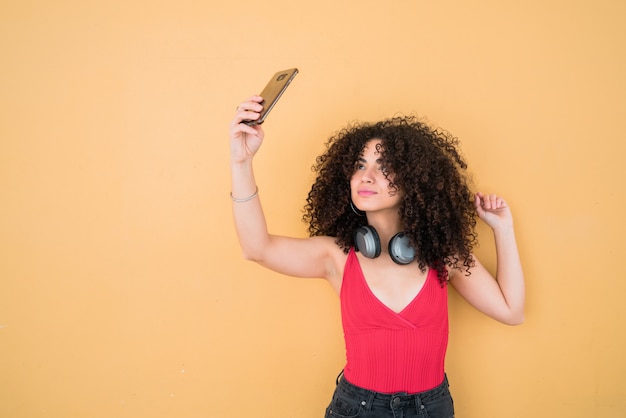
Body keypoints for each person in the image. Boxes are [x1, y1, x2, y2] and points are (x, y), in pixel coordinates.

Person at [229, 95, 525, 418]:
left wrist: (502, 229)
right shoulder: (337, 257)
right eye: (360, 165)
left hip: (431, 409)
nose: (366, 176)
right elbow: (255, 248)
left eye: (384, 167)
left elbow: (512, 310)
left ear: (413, 180)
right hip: (357, 408)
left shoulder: (445, 256)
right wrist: (241, 162)